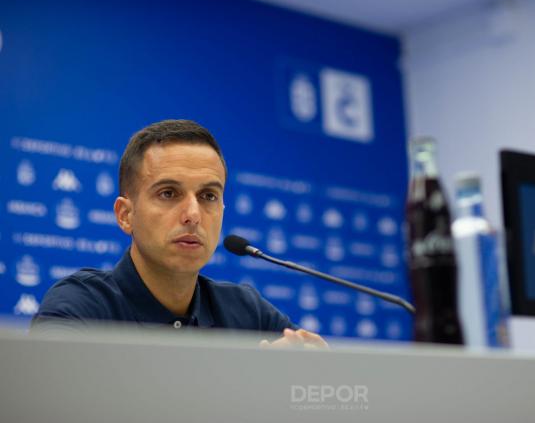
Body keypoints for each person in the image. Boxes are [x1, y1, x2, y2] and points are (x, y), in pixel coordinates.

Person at [32, 119, 327, 349]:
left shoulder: (247, 312)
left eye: (208, 196)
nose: (193, 214)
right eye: (169, 193)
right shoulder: (80, 307)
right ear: (125, 215)